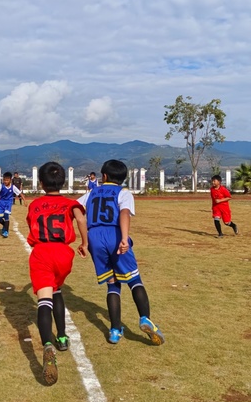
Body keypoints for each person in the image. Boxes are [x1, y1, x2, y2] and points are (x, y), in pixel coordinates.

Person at [78, 159, 164, 346]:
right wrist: (124, 238)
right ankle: (144, 318)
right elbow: (124, 213)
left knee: (112, 284)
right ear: (123, 178)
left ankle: (115, 331)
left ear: (104, 176)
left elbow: (75, 210)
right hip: (114, 234)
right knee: (134, 279)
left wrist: (84, 241)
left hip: (95, 237)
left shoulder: (91, 192)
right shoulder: (123, 193)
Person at [26, 162, 89, 386]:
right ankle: (62, 337)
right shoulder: (70, 204)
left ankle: (47, 345)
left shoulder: (35, 205)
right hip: (63, 254)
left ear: (41, 183)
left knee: (45, 299)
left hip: (42, 252)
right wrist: (84, 243)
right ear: (62, 182)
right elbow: (81, 219)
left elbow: (32, 225)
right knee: (58, 290)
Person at [0, 171, 26, 238]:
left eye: (7, 180)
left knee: (6, 215)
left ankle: (6, 231)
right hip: (1, 203)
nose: (5, 181)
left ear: (10, 180)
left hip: (8, 203)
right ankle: (4, 226)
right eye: (4, 180)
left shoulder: (13, 187)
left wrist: (25, 201)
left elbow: (20, 194)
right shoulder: (1, 186)